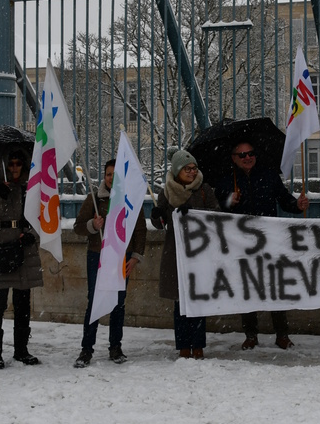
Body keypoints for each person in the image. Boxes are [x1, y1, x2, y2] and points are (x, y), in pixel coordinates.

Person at [214, 139, 309, 351]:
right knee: (248, 287)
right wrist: (231, 201)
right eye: (242, 155)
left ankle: (282, 334)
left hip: (269, 242)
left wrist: (297, 204)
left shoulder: (268, 176)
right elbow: (218, 209)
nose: (248, 157)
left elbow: (284, 200)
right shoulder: (226, 181)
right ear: (234, 159)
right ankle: (250, 335)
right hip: (241, 244)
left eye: (251, 153)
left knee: (275, 286)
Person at [72, 159, 147, 367]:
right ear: (104, 176)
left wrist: (135, 257)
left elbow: (140, 231)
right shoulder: (94, 199)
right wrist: (93, 225)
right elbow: (78, 228)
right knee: (94, 302)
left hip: (122, 257)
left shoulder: (130, 200)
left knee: (118, 302)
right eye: (108, 174)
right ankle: (86, 349)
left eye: (115, 174)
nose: (111, 178)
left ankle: (115, 347)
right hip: (98, 256)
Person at [0, 148, 43, 369]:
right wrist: (0, 198)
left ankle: (21, 350)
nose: (14, 168)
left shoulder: (31, 189)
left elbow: (42, 218)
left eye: (18, 163)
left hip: (23, 249)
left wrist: (31, 236)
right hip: (0, 249)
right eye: (11, 163)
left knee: (23, 303)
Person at [150, 150, 219, 359]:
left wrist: (197, 215)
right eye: (187, 169)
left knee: (197, 300)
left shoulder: (204, 189)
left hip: (199, 252)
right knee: (180, 301)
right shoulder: (166, 192)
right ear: (177, 171)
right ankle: (183, 346)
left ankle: (198, 345)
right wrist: (157, 215)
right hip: (175, 252)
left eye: (194, 168)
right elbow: (159, 223)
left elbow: (215, 217)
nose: (192, 172)